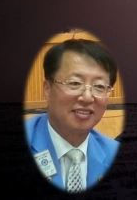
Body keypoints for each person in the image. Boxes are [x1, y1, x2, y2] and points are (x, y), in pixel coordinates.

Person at [25, 39, 120, 193]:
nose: (88, 97)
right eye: (75, 83)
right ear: (47, 89)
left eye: (99, 86)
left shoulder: (114, 152)